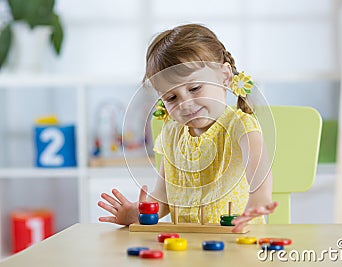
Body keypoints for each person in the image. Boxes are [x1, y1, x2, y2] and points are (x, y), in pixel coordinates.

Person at [98, 23, 278, 232]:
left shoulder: (240, 125)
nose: (186, 104)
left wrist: (259, 199)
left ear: (225, 76)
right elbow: (164, 196)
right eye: (171, 97)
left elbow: (259, 172)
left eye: (194, 88)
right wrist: (140, 213)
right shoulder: (171, 133)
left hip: (236, 242)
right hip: (185, 246)